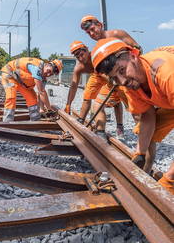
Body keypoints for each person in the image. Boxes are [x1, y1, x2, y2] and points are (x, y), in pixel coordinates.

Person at [91, 38, 174, 194]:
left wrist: (170, 177)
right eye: (115, 77)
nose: (121, 81)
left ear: (133, 56)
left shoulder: (167, 73)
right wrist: (139, 153)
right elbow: (148, 115)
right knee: (147, 134)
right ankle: (146, 169)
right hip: (170, 97)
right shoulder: (131, 84)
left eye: (122, 70)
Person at [65, 41, 125, 138]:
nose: (80, 58)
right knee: (87, 96)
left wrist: (115, 80)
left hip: (108, 73)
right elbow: (74, 86)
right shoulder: (79, 67)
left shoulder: (97, 55)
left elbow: (110, 70)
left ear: (87, 50)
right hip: (96, 74)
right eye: (77, 57)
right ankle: (81, 120)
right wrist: (68, 104)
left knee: (116, 101)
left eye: (81, 54)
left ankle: (119, 126)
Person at [0, 57, 62, 122]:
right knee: (11, 97)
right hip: (10, 75)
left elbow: (40, 94)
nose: (48, 74)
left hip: (21, 82)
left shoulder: (43, 78)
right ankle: (7, 121)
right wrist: (49, 109)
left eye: (51, 74)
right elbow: (42, 92)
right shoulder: (36, 67)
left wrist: (42, 109)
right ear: (46, 65)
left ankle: (35, 121)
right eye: (49, 71)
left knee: (33, 99)